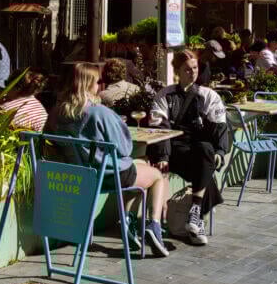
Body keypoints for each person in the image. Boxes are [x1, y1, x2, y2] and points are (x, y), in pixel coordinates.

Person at [44, 61, 169, 257]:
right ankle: (153, 224)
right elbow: (125, 148)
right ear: (87, 84)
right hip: (108, 175)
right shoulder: (99, 113)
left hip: (79, 176)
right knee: (156, 175)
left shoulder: (56, 113)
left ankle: (127, 219)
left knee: (140, 164)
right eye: (97, 82)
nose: (99, 86)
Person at [148, 49, 229, 247]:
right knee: (206, 168)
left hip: (198, 153)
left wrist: (220, 150)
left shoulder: (208, 95)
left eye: (195, 68)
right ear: (177, 71)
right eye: (187, 69)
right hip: (173, 151)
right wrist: (163, 156)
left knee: (206, 152)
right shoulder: (165, 95)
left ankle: (195, 213)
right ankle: (197, 221)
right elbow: (160, 129)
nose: (192, 72)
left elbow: (220, 125)